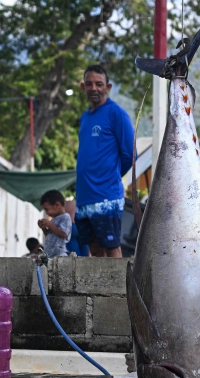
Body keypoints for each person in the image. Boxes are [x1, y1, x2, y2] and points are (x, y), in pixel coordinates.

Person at [75, 64, 135, 258]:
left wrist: (110, 176)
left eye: (99, 84)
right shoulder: (85, 117)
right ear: (83, 87)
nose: (94, 88)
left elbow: (130, 155)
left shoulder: (116, 114)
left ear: (107, 87)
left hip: (107, 197)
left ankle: (118, 289)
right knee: (93, 249)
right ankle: (98, 290)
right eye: (89, 84)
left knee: (111, 248)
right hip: (84, 197)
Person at [38, 190, 72, 259]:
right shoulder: (54, 219)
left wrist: (50, 224)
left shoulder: (65, 217)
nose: (46, 213)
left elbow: (63, 234)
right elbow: (49, 235)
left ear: (57, 205)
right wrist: (44, 228)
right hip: (50, 253)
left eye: (47, 209)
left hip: (59, 254)